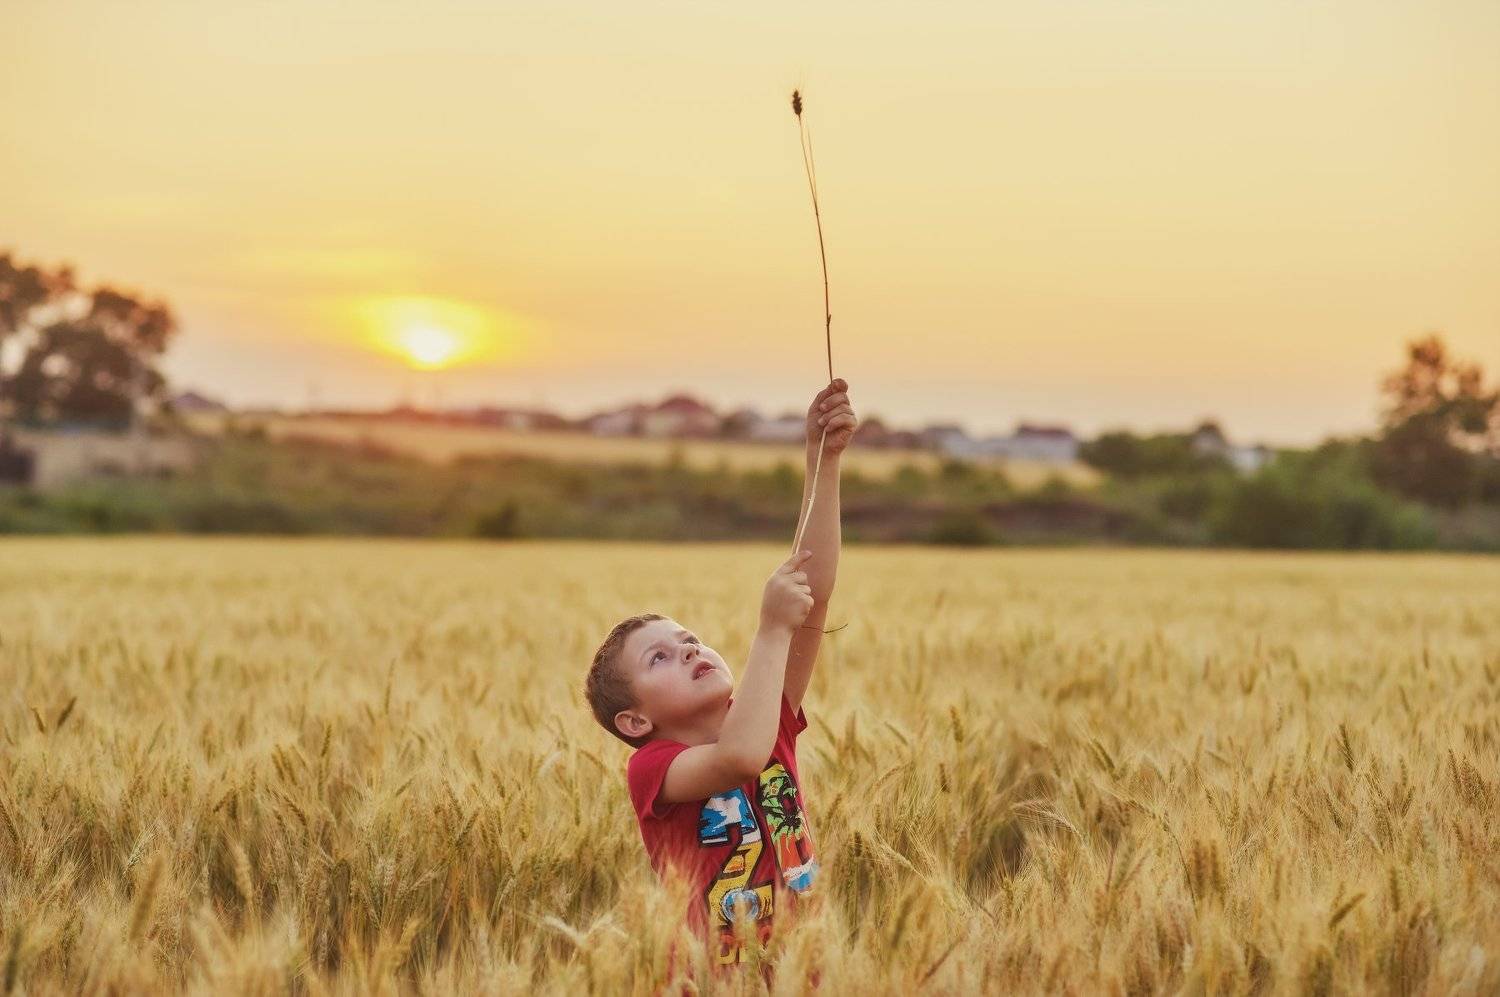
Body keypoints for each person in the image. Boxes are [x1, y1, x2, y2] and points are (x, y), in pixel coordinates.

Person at [583, 379, 855, 966]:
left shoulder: (765, 719)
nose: (688, 651)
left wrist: (822, 463)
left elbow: (816, 595)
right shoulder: (652, 769)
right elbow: (737, 759)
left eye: (690, 640)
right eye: (660, 657)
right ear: (635, 721)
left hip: (800, 975)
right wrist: (770, 629)